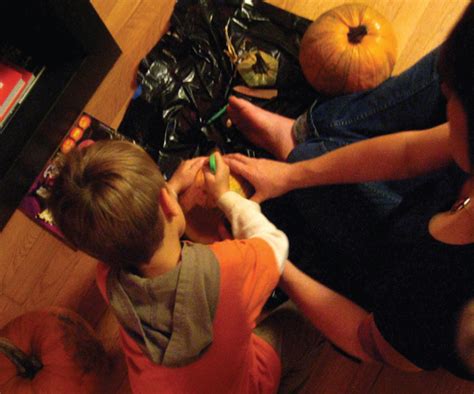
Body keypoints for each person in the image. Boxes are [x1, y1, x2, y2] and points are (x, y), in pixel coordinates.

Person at [224, 2, 474, 381]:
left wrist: (272, 254)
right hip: (452, 196)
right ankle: (300, 133)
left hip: (407, 265)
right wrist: (292, 176)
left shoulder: (435, 300)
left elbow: (365, 339)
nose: (445, 91)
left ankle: (303, 137)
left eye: (453, 96)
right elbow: (410, 153)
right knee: (451, 60)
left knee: (310, 169)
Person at [46, 140, 323, 394]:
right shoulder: (227, 269)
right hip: (243, 386)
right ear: (167, 204)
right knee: (305, 317)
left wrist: (172, 190)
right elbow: (275, 244)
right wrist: (226, 196)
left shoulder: (107, 279)